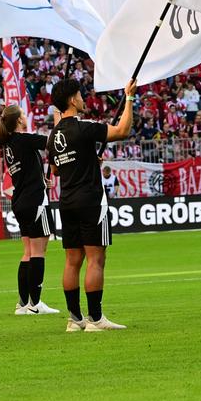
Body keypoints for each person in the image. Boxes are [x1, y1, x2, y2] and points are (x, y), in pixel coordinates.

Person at [48, 77, 137, 332]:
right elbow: (122, 131)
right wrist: (129, 97)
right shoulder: (84, 127)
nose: (83, 98)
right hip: (90, 201)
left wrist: (86, 159)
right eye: (80, 95)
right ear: (72, 100)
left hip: (66, 202)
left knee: (72, 261)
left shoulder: (53, 136)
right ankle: (96, 319)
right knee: (96, 259)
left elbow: (56, 169)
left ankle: (74, 320)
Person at [0, 103, 58, 316]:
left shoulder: (9, 144)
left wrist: (41, 180)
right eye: (23, 114)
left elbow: (25, 171)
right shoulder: (23, 138)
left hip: (21, 201)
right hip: (35, 201)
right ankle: (36, 303)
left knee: (28, 252)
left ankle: (22, 304)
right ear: (19, 120)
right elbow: (53, 143)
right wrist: (59, 120)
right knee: (40, 251)